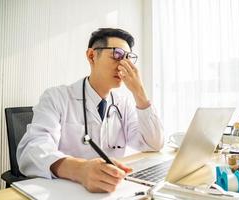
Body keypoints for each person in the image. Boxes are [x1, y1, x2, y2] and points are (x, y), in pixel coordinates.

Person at [16, 28, 164, 193]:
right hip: (66, 192)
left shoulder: (124, 104)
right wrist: (80, 169)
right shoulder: (57, 97)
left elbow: (153, 144)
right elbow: (31, 151)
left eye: (128, 58)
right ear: (92, 56)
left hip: (112, 192)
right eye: (117, 55)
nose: (124, 65)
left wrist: (139, 92)